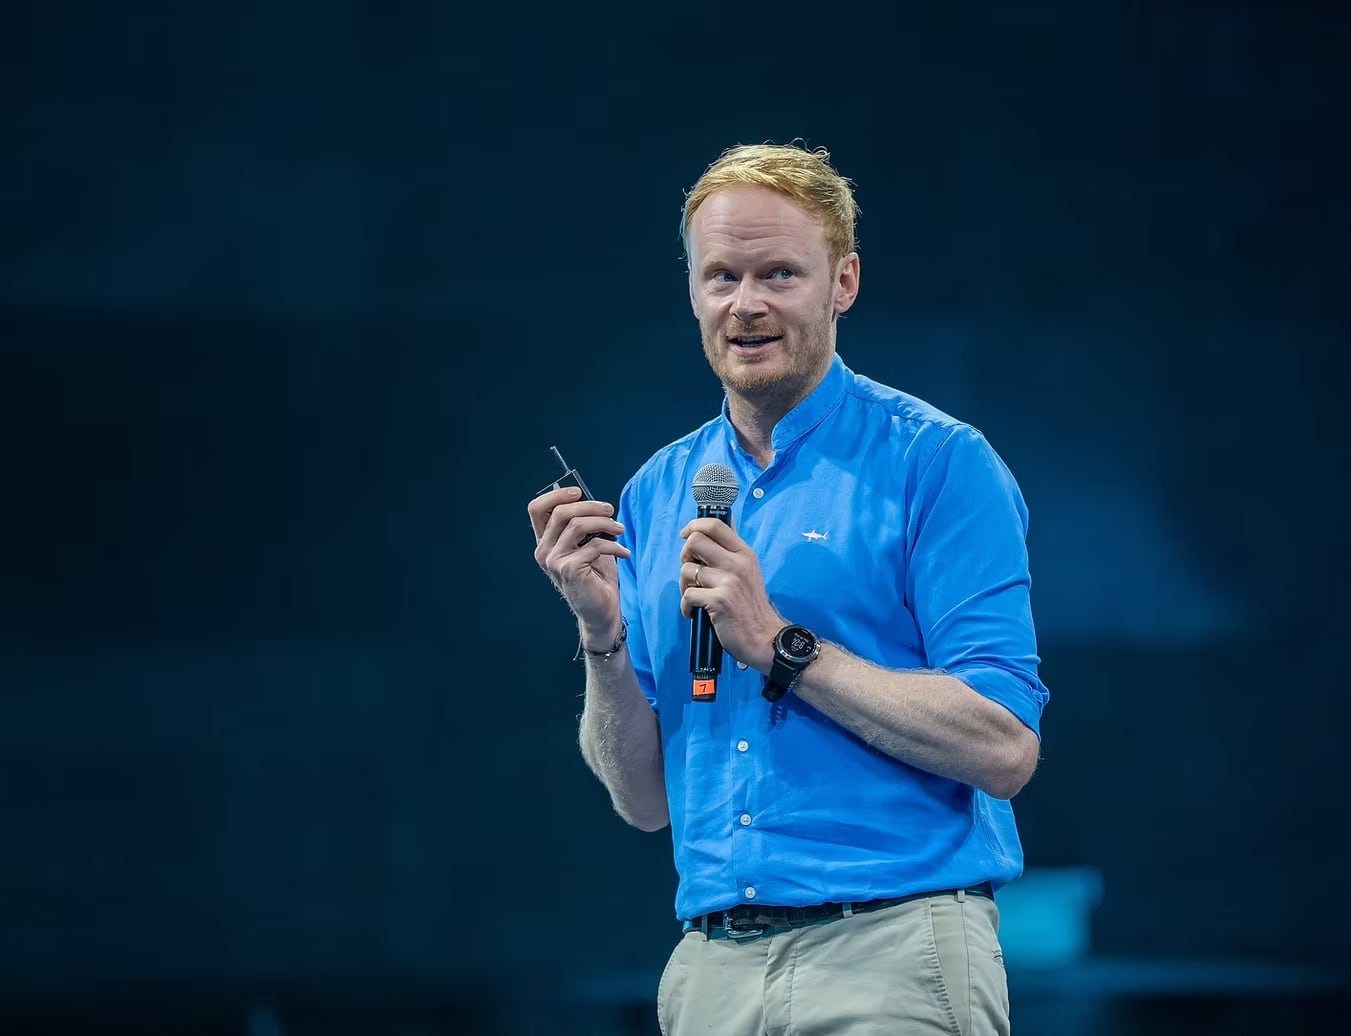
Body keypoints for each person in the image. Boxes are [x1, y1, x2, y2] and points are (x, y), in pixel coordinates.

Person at [527, 141, 1048, 1035]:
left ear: (842, 283)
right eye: (720, 276)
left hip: (890, 952)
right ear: (691, 289)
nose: (746, 305)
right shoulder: (661, 489)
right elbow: (644, 803)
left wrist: (779, 645)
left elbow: (1004, 748)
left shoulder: (935, 464)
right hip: (709, 972)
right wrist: (601, 635)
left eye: (779, 274)